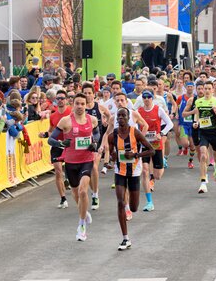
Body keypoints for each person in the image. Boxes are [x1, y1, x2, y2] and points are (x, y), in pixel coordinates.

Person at [48, 93, 99, 242]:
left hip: (87, 160)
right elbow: (51, 139)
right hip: (71, 162)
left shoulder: (92, 120)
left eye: (83, 104)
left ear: (86, 104)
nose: (80, 106)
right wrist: (61, 144)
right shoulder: (66, 121)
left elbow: (96, 134)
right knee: (76, 194)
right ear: (73, 103)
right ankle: (84, 212)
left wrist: (94, 143)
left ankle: (81, 226)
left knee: (83, 191)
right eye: (77, 103)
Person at [108, 107, 154, 250]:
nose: (121, 118)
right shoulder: (112, 136)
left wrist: (135, 155)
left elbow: (151, 150)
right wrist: (112, 157)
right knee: (121, 202)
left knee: (134, 207)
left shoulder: (135, 132)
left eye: (123, 115)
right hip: (119, 171)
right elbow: (111, 153)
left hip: (134, 171)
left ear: (128, 118)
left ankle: (131, 208)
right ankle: (125, 238)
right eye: (119, 115)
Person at [138, 89, 173, 211]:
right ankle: (149, 202)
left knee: (158, 175)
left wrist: (162, 133)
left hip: (157, 144)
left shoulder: (158, 109)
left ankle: (160, 162)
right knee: (145, 171)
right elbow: (134, 125)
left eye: (148, 97)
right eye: (144, 97)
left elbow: (170, 124)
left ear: (152, 98)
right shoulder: (140, 111)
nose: (146, 99)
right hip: (145, 145)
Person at [193, 81, 216, 193]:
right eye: (205, 88)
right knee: (203, 155)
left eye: (209, 89)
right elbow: (197, 115)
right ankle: (203, 183)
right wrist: (196, 122)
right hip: (203, 132)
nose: (207, 91)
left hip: (215, 132)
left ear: (213, 90)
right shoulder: (198, 102)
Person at [39, 89, 71, 209]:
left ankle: (69, 180)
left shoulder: (71, 112)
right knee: (58, 170)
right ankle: (63, 198)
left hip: (69, 144)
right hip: (57, 145)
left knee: (72, 170)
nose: (61, 100)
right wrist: (45, 134)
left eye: (63, 98)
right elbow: (52, 130)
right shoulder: (53, 115)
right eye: (58, 98)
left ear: (67, 100)